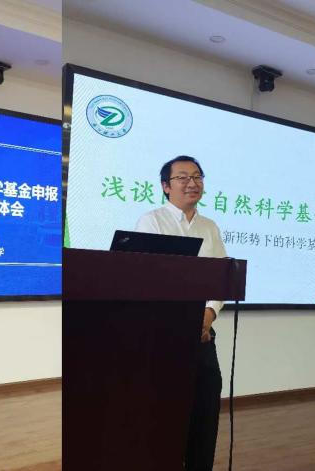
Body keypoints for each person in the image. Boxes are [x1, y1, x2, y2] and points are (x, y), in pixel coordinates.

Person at [135, 155, 225, 471]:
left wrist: (208, 315)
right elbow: (145, 278)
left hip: (202, 333)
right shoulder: (152, 222)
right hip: (163, 334)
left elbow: (221, 280)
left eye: (197, 177)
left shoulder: (210, 227)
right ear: (165, 186)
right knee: (165, 412)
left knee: (205, 408)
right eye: (183, 177)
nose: (192, 183)